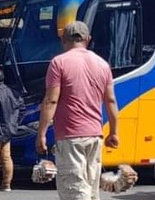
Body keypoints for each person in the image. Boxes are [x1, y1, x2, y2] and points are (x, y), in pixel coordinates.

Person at [36, 21, 119, 200]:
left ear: (63, 40)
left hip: (70, 137)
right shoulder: (102, 64)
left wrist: (41, 133)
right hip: (95, 136)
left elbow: (51, 100)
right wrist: (113, 132)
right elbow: (111, 100)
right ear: (88, 39)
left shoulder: (58, 63)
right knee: (90, 191)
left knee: (75, 191)